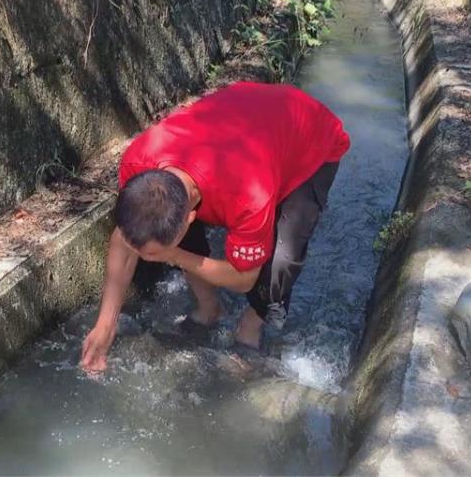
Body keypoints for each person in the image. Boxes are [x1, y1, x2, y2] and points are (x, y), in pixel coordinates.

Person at [79, 81, 350, 372]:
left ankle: (250, 326)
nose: (147, 258)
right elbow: (125, 241)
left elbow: (244, 278)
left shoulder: (247, 195)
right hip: (242, 118)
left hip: (309, 136)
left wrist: (175, 256)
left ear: (191, 217)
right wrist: (105, 325)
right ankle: (209, 309)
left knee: (283, 258)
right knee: (172, 242)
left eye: (154, 255)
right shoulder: (138, 161)